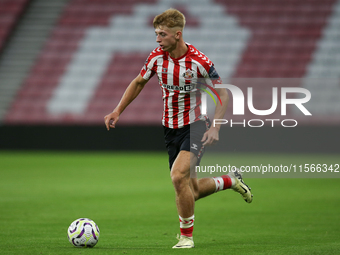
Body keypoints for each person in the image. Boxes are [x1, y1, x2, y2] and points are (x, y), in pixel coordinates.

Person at [104, 8, 253, 248]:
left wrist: (215, 126)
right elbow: (138, 82)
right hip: (170, 129)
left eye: (162, 34)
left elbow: (223, 94)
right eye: (156, 34)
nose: (157, 39)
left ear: (177, 34)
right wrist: (117, 110)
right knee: (190, 191)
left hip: (195, 126)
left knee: (177, 176)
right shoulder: (156, 58)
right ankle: (230, 181)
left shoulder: (199, 62)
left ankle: (186, 237)